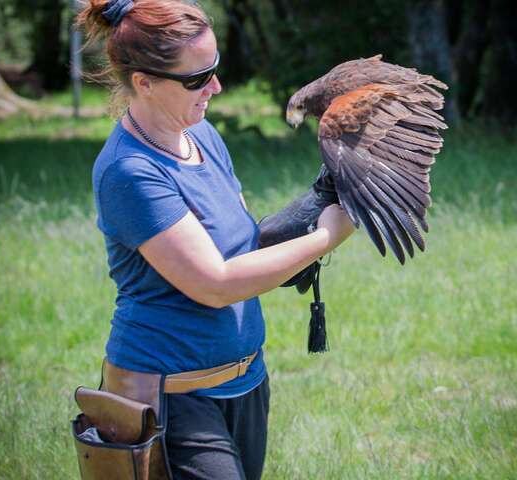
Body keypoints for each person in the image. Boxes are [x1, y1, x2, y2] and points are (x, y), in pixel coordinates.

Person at [76, 1, 355, 479]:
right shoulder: (130, 170)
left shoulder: (202, 134)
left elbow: (243, 243)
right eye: (196, 78)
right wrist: (329, 233)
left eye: (215, 69)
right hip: (170, 398)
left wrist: (331, 192)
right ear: (144, 82)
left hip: (246, 380)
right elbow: (215, 282)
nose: (216, 87)